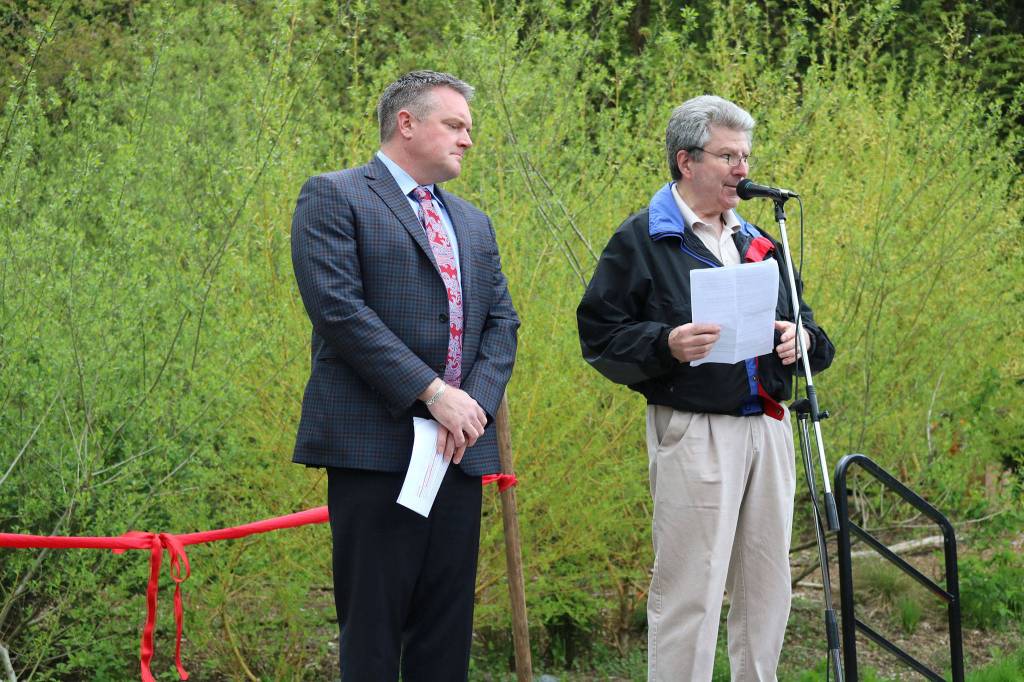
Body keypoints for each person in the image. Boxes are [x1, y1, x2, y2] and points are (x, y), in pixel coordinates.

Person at [577, 95, 835, 681]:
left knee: (767, 586)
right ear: (686, 161)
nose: (742, 168)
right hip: (695, 431)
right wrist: (665, 344)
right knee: (691, 586)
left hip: (769, 428)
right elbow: (599, 336)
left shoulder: (761, 241)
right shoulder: (643, 239)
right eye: (727, 155)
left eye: (745, 155)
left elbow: (819, 337)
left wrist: (801, 341)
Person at [290, 70, 519, 681]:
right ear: (407, 123)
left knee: (446, 629)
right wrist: (434, 393)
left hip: (458, 449)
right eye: (455, 125)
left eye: (469, 128)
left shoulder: (472, 222)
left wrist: (471, 407)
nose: (468, 140)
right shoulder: (335, 195)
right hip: (376, 445)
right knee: (372, 626)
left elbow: (502, 323)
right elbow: (338, 309)